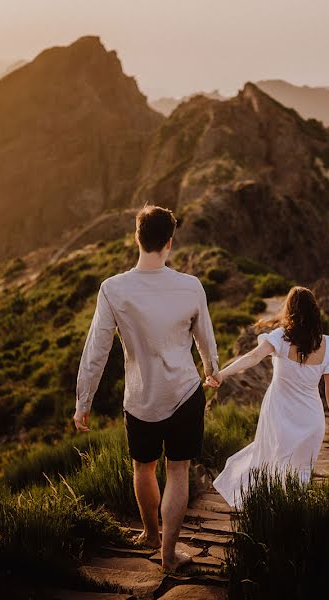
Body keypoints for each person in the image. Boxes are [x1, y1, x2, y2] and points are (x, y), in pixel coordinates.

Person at [73, 205, 218, 571]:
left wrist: (83, 401)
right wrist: (212, 370)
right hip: (185, 394)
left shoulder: (113, 289)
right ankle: (169, 554)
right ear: (169, 242)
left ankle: (151, 535)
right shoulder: (190, 286)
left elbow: (96, 351)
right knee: (179, 471)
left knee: (143, 468)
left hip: (140, 399)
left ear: (138, 238)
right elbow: (206, 340)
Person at [206, 286, 329, 508]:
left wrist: (221, 374)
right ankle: (287, 515)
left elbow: (252, 357)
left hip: (279, 414)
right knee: (300, 474)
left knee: (272, 461)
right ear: (315, 311)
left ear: (289, 310)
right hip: (311, 420)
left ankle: (269, 512)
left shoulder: (281, 338)